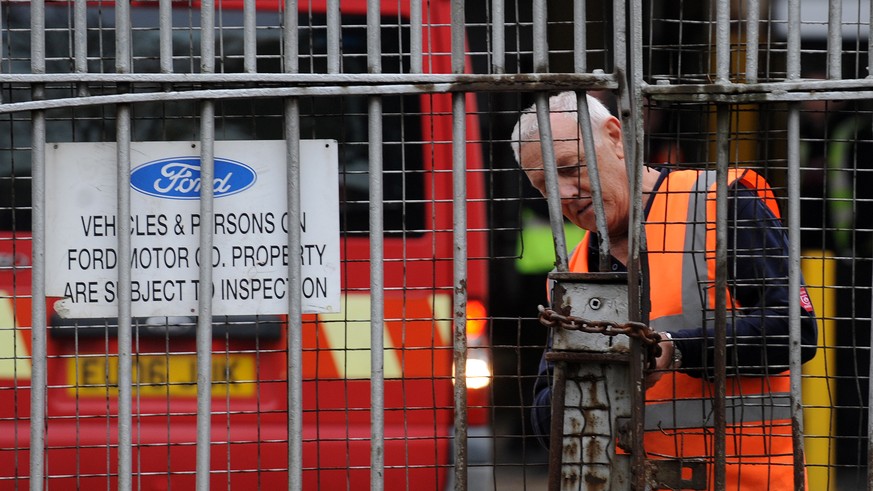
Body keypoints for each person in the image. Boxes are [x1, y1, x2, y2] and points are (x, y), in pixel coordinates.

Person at [510, 91, 819, 490]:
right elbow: (544, 412)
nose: (564, 196)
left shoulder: (719, 204)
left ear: (615, 137)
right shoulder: (575, 267)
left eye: (570, 169)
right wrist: (583, 389)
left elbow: (795, 331)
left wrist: (676, 350)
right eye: (545, 188)